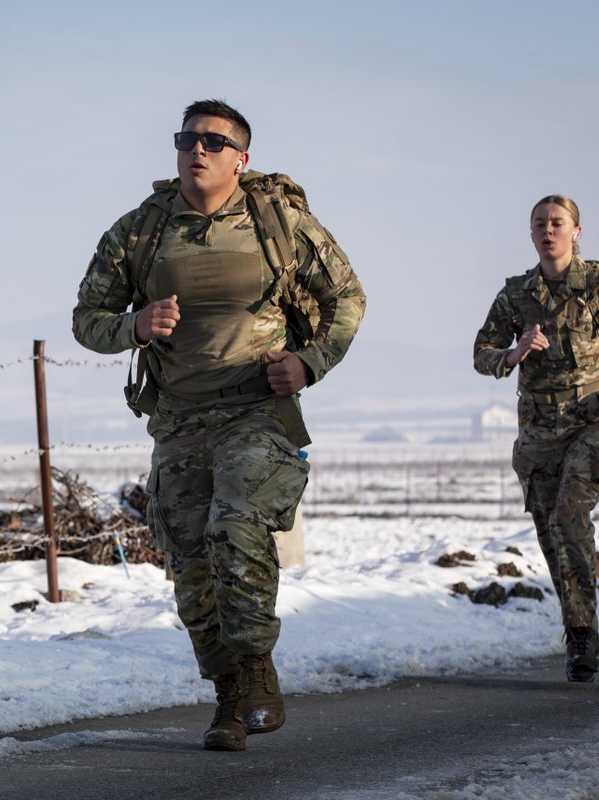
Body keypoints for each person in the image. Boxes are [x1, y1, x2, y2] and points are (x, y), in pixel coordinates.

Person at [72, 99, 366, 750]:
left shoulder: (279, 223)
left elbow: (346, 297)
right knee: (189, 565)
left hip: (256, 407)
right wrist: (134, 325)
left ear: (241, 158)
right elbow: (86, 318)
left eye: (213, 142)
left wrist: (310, 363)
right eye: (187, 140)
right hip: (178, 417)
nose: (197, 151)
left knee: (235, 525)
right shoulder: (141, 231)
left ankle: (257, 666)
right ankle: (228, 696)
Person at [473, 194, 599, 683]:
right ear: (531, 233)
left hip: (593, 420)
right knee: (549, 531)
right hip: (538, 428)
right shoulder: (516, 295)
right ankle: (578, 625)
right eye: (539, 223)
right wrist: (514, 353)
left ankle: (581, 636)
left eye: (557, 223)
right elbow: (482, 352)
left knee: (568, 515)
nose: (548, 231)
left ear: (576, 232)